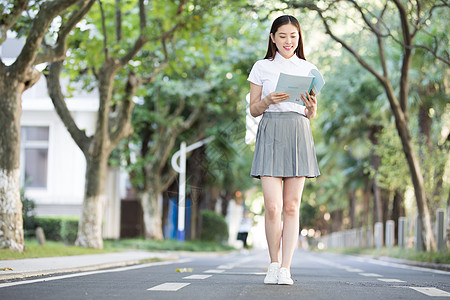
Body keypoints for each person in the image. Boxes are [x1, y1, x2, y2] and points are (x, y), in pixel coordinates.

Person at [248, 15, 320, 285]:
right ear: (273, 38)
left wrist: (311, 108)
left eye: (293, 36)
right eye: (282, 36)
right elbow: (253, 110)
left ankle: (286, 268)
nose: (288, 41)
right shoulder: (261, 68)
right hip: (271, 132)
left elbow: (311, 112)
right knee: (272, 206)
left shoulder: (309, 69)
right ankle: (273, 263)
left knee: (291, 206)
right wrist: (267, 99)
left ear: (299, 38)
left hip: (298, 133)